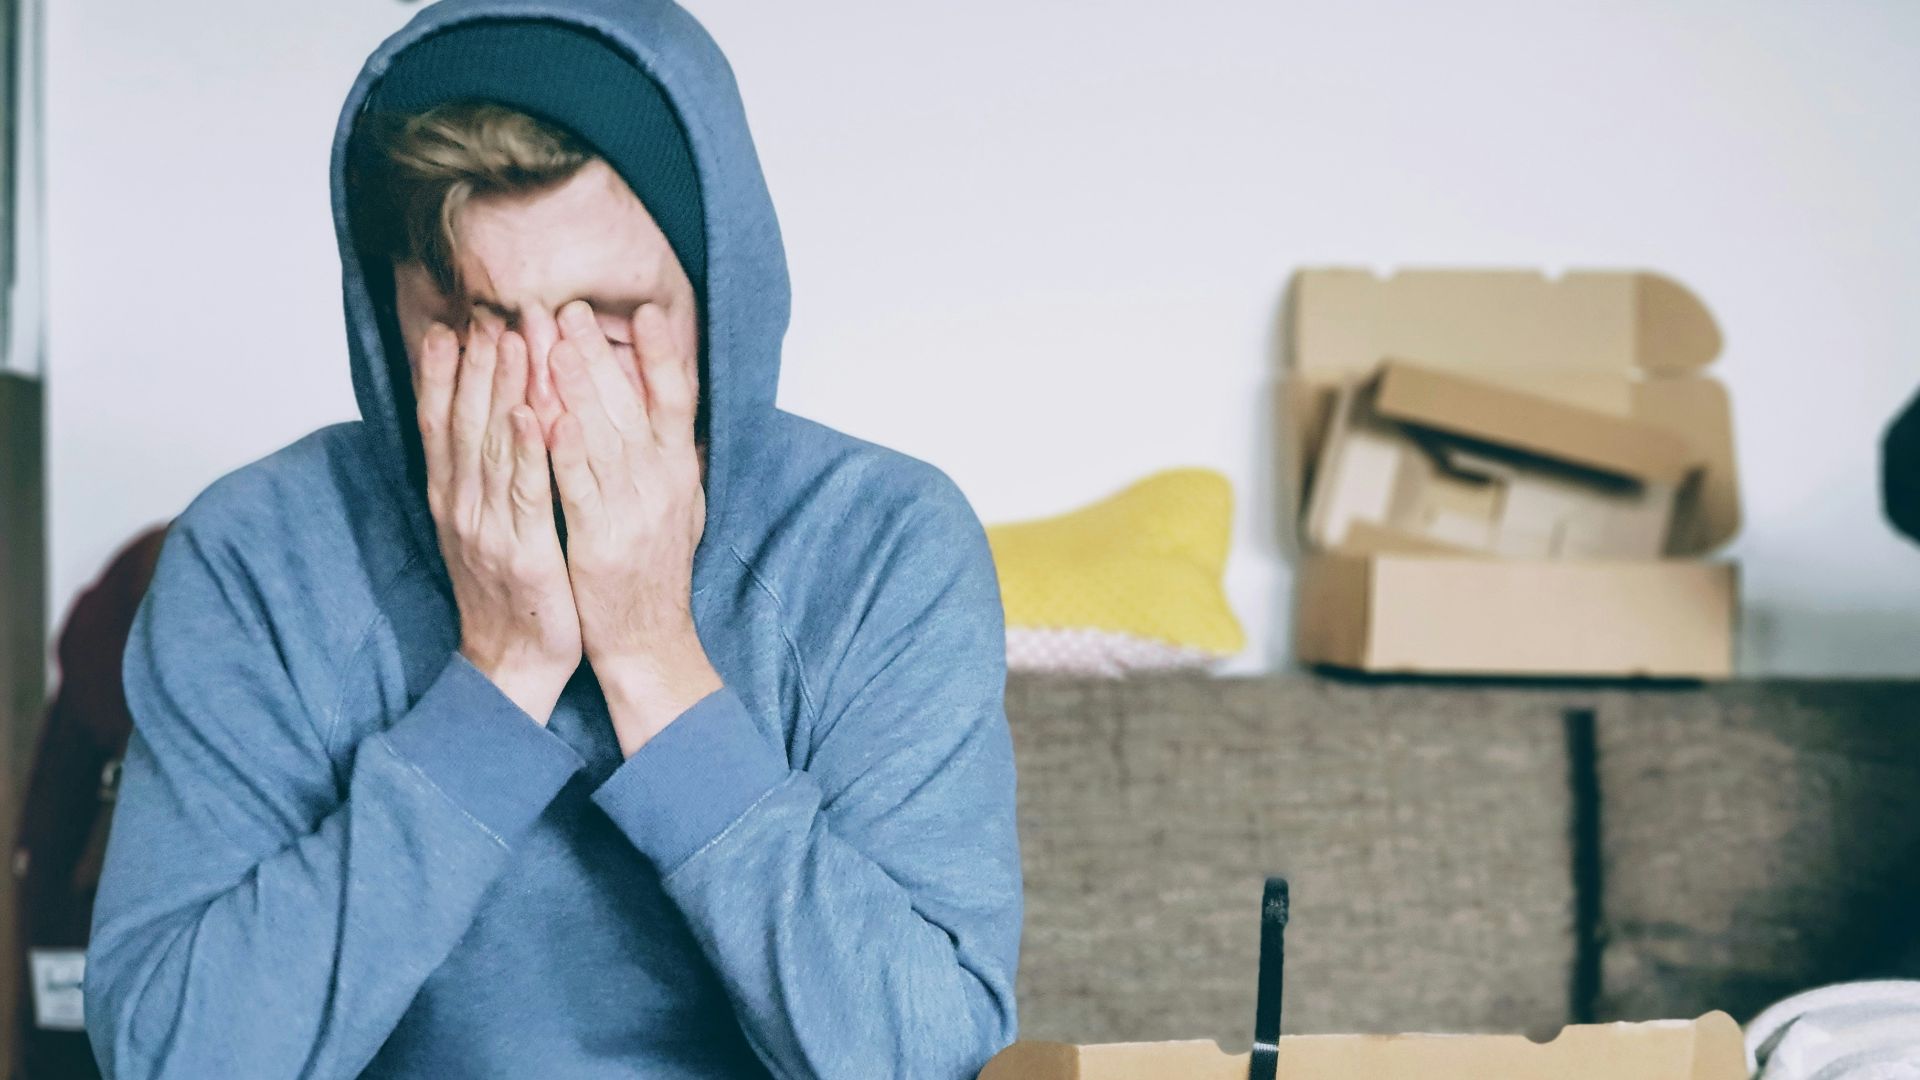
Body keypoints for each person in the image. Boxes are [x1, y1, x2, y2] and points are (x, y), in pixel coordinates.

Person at [81, 2, 1023, 1077]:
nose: (541, 398)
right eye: (473, 325)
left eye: (608, 323)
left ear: (720, 302)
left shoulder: (884, 544)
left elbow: (925, 1062)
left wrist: (652, 659)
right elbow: (173, 1061)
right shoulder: (256, 556)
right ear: (389, 319)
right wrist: (501, 675)